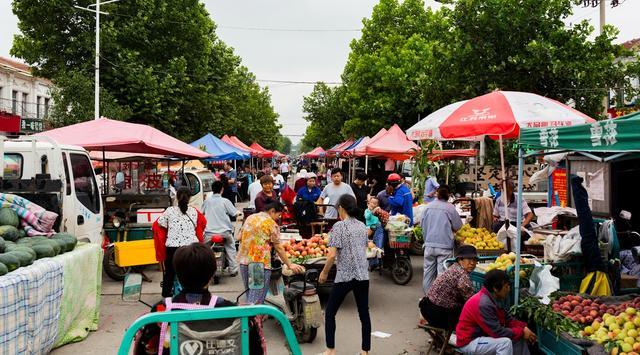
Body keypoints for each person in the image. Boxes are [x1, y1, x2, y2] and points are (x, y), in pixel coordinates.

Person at [133, 243, 264, 355]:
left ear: (177, 275)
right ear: (212, 274)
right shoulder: (235, 312)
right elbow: (255, 350)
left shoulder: (161, 311)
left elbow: (145, 350)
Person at [319, 195, 371, 355]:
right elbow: (363, 248)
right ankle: (365, 351)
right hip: (362, 275)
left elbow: (332, 255)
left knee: (330, 312)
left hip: (345, 276)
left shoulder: (339, 227)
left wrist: (324, 272)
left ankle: (330, 350)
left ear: (341, 208)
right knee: (364, 313)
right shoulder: (362, 226)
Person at [237, 202, 304, 304]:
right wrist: (289, 265)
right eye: (278, 215)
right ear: (272, 211)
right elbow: (279, 248)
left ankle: (252, 317)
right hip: (258, 264)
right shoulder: (271, 224)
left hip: (244, 262)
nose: (278, 218)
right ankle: (253, 319)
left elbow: (239, 237)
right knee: (256, 300)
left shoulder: (250, 218)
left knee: (250, 294)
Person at [456, 269, 536, 355]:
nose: (508, 289)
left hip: (484, 336)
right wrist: (521, 331)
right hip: (470, 341)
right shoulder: (484, 303)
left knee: (518, 338)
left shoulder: (493, 297)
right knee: (504, 343)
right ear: (495, 288)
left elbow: (508, 318)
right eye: (506, 286)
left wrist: (523, 328)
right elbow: (497, 333)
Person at [156, 187, 206, 297]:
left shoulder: (169, 211)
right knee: (191, 272)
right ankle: (194, 295)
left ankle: (166, 298)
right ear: (190, 198)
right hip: (191, 248)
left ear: (177, 197)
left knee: (169, 273)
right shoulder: (194, 212)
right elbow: (200, 225)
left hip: (173, 248)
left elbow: (160, 224)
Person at [419, 245, 477, 331]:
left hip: (427, 309)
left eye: (474, 260)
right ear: (460, 260)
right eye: (469, 259)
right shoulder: (462, 275)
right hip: (437, 315)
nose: (472, 263)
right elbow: (471, 302)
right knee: (472, 315)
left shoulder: (454, 268)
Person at [421, 185, 463, 293]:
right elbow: (458, 226)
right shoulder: (450, 208)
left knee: (428, 274)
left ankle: (428, 298)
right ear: (449, 195)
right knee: (442, 275)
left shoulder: (428, 207)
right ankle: (439, 300)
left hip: (429, 244)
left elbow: (422, 225)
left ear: (437, 193)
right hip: (445, 246)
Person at [202, 180, 240, 276]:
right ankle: (233, 270)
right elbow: (235, 213)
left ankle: (205, 269)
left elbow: (201, 213)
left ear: (212, 190)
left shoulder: (206, 202)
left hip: (209, 233)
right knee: (231, 248)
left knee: (204, 250)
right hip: (225, 232)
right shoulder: (225, 201)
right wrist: (239, 213)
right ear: (222, 190)